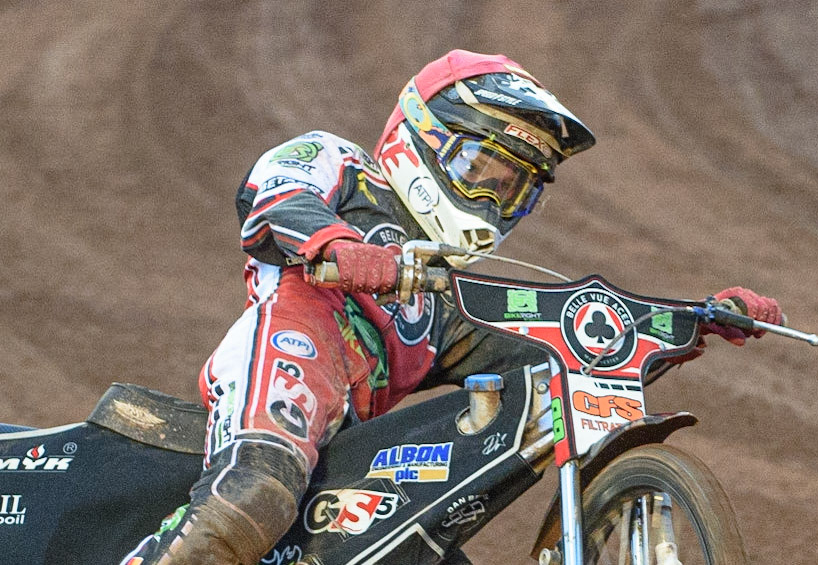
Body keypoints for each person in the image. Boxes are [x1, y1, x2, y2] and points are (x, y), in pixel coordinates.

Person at [120, 49, 782, 564]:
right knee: (253, 496)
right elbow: (271, 194)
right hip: (289, 350)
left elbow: (561, 352)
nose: (493, 201)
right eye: (482, 170)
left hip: (348, 448)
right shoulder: (343, 165)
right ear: (420, 137)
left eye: (514, 188)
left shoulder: (443, 306)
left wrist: (693, 320)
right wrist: (342, 246)